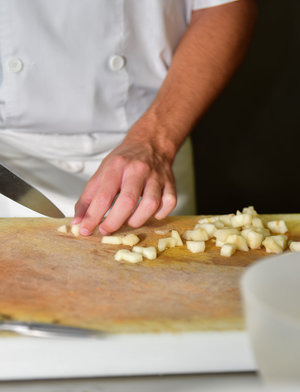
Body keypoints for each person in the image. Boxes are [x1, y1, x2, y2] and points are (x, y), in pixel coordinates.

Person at [0, 0, 257, 235]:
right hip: (8, 155)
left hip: (153, 145)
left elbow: (226, 6)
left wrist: (155, 142)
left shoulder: (154, 145)